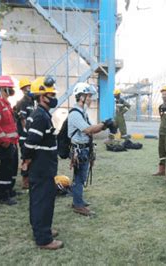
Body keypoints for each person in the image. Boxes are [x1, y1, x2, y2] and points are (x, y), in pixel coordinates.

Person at [23, 77, 63, 250]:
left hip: (42, 166)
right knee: (43, 201)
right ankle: (43, 239)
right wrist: (27, 160)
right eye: (50, 94)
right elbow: (30, 143)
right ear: (41, 96)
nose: (53, 97)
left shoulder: (41, 114)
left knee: (39, 200)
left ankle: (40, 229)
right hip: (42, 167)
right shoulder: (40, 116)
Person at [68, 82, 116, 216]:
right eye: (88, 96)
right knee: (79, 178)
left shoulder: (83, 113)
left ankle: (78, 200)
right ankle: (78, 205)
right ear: (81, 96)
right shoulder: (75, 114)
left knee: (81, 177)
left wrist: (103, 125)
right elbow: (88, 129)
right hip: (79, 150)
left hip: (84, 149)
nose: (90, 99)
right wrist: (105, 124)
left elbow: (90, 130)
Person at [0, 75, 19, 205]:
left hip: (13, 141)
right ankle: (3, 194)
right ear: (3, 89)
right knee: (5, 168)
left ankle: (9, 189)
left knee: (13, 167)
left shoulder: (6, 104)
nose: (11, 90)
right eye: (9, 88)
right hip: (6, 143)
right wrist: (5, 140)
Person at [15, 77, 34, 189]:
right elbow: (23, 120)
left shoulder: (32, 102)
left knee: (32, 158)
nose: (29, 89)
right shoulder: (22, 103)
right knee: (26, 158)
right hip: (24, 136)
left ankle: (30, 178)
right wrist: (28, 133)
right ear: (22, 89)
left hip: (31, 135)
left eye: (30, 87)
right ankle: (25, 181)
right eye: (27, 87)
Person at [152, 85, 166, 177]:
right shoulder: (160, 107)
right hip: (162, 132)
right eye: (163, 94)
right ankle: (161, 170)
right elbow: (162, 119)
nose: (164, 96)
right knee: (161, 151)